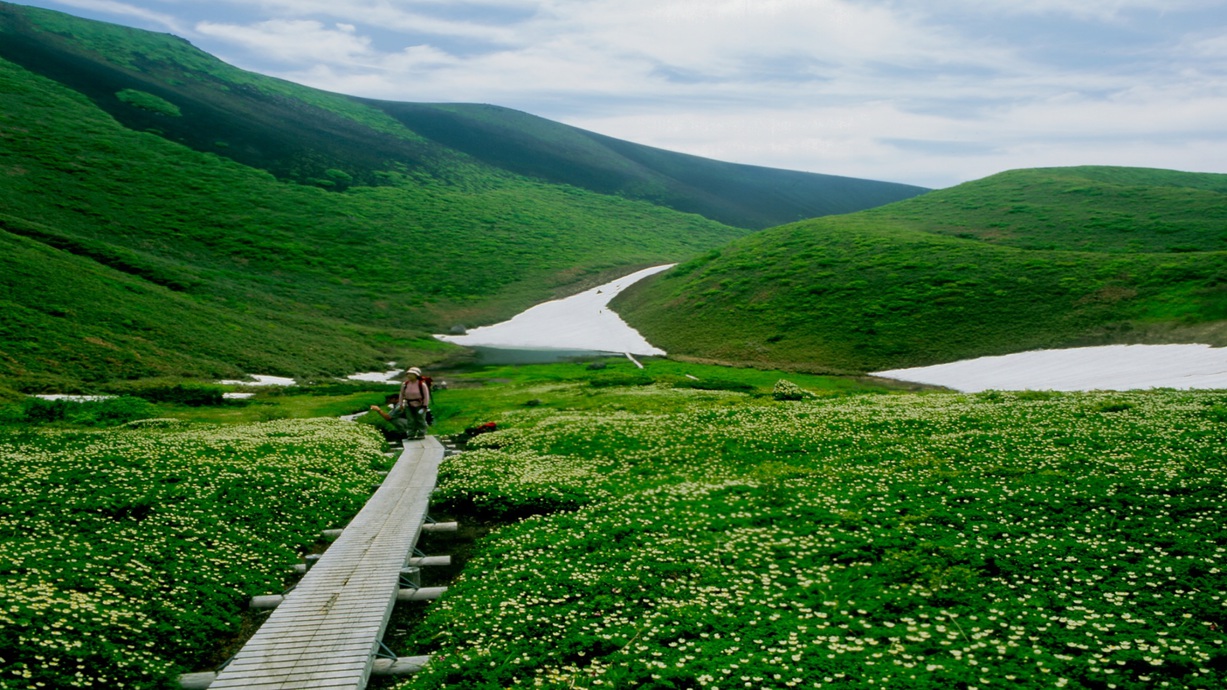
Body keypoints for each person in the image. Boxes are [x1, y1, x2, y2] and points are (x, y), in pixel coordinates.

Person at [370, 367, 432, 440]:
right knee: (410, 420)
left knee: (420, 419)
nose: (409, 376)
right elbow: (401, 394)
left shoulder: (421, 384)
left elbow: (426, 396)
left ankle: (421, 433)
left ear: (416, 375)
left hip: (419, 405)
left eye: (411, 374)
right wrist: (401, 404)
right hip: (408, 404)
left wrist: (424, 406)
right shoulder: (405, 384)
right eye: (408, 374)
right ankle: (411, 434)